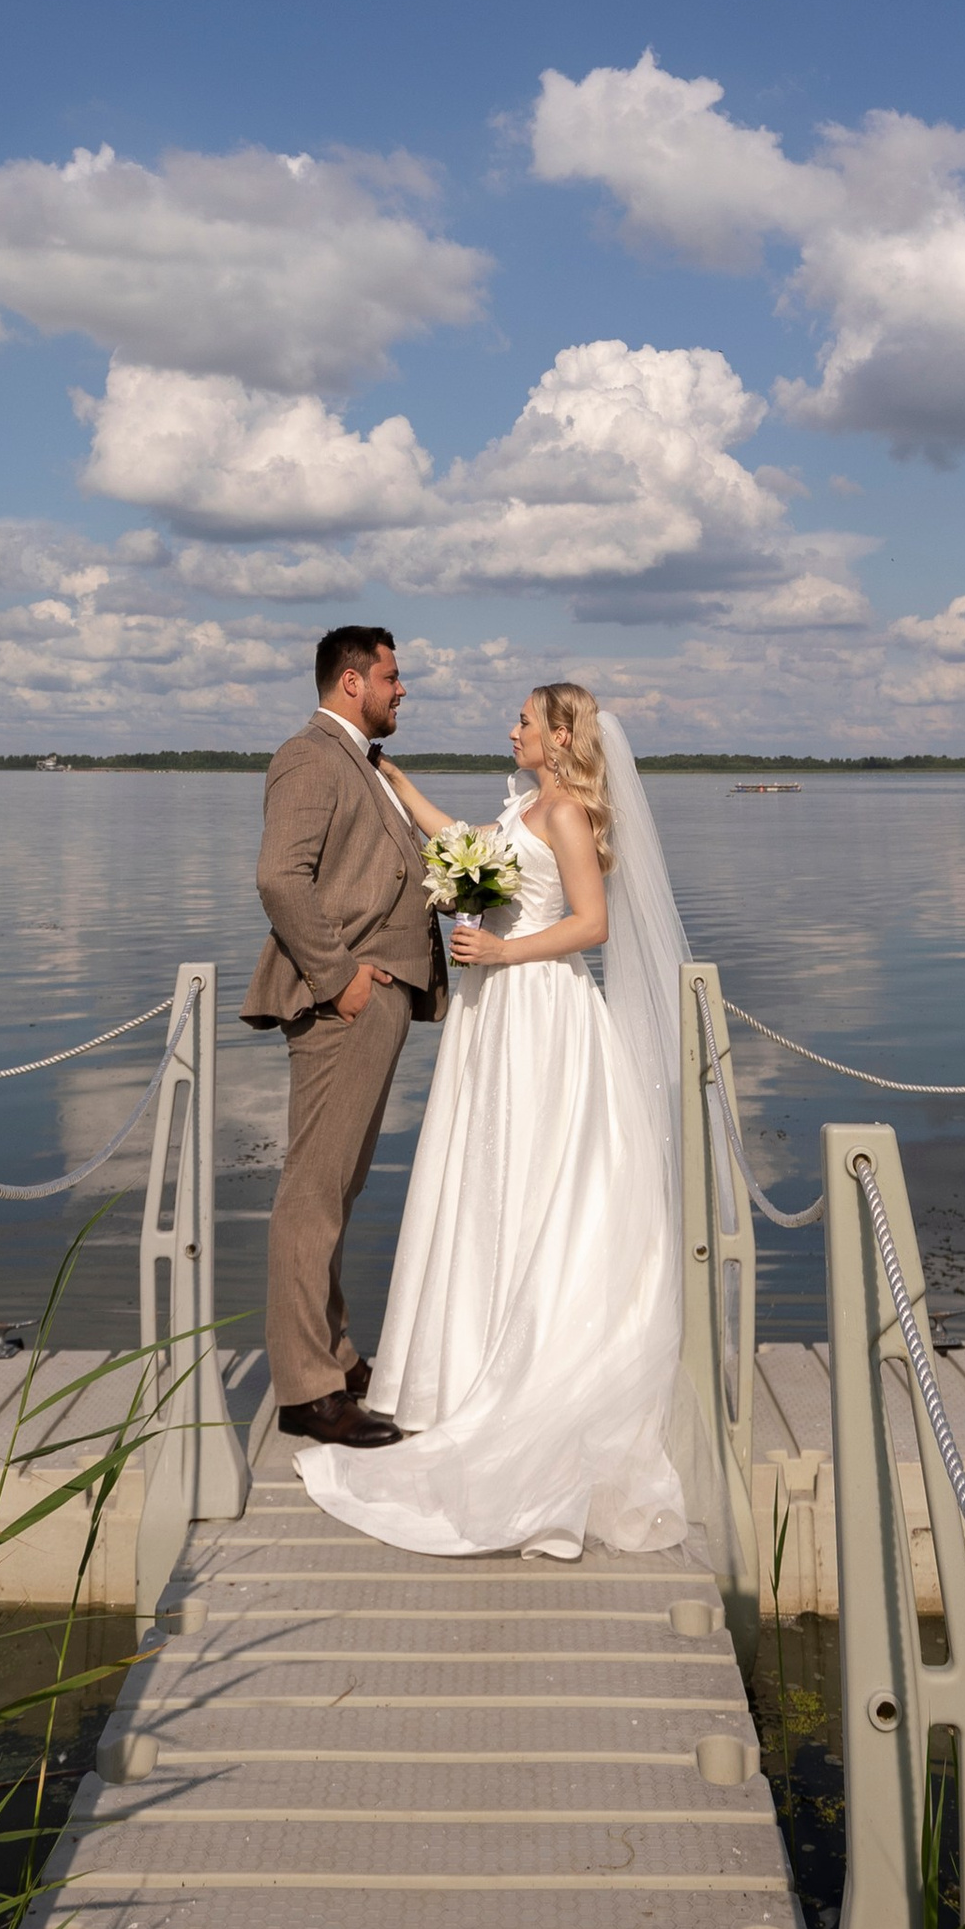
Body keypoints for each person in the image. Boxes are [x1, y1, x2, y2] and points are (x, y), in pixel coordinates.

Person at [294, 680, 691, 1562]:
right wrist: (391, 781)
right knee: (485, 1183)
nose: (508, 730)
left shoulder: (570, 815)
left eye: (521, 721)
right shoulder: (529, 805)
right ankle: (464, 1365)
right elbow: (463, 843)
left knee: (539, 1179)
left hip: (542, 1009)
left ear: (557, 736)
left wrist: (505, 948)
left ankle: (533, 1367)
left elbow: (591, 925)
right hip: (495, 1016)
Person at [241, 626, 448, 1448]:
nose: (404, 691)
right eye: (394, 677)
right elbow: (276, 877)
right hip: (343, 1004)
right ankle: (307, 1390)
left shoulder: (360, 763)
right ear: (353, 681)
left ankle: (334, 1354)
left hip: (376, 1000)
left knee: (339, 1187)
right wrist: (343, 980)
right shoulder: (309, 755)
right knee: (312, 1192)